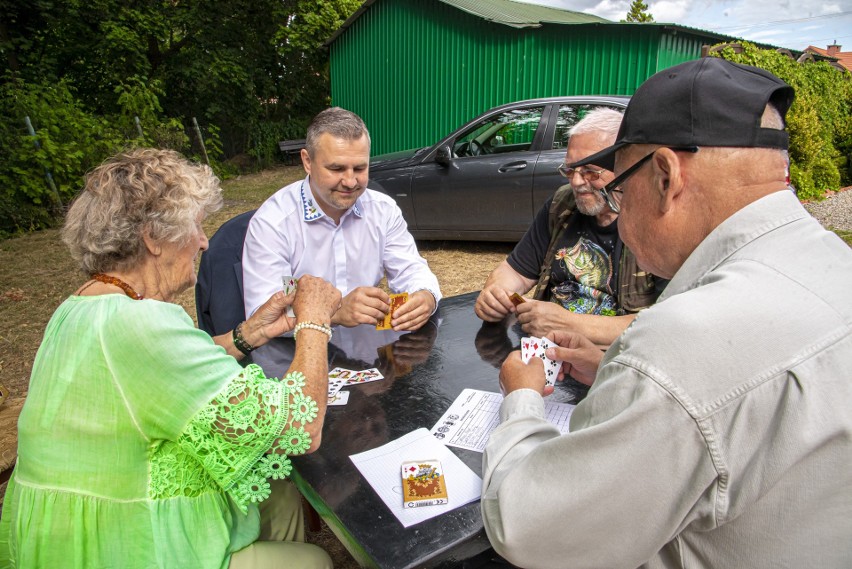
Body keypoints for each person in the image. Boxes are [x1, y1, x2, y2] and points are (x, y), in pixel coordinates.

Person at [481, 57, 852, 568]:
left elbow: (528, 528)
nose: (616, 204)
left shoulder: (680, 341)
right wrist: (612, 367)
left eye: (620, 187)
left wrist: (522, 400)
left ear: (664, 175)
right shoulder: (835, 262)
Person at [0, 149, 343, 569]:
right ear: (152, 238)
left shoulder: (84, 304)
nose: (203, 241)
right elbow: (300, 428)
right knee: (313, 561)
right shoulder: (140, 325)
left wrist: (246, 334)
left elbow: (156, 378)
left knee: (279, 493)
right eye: (196, 227)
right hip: (120, 541)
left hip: (62, 526)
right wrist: (315, 322)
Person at [474, 108, 665, 347]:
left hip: (612, 363)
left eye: (590, 172)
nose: (576, 182)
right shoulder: (562, 203)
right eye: (570, 170)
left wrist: (570, 324)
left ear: (625, 166)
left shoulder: (658, 222)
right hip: (548, 352)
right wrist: (496, 292)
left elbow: (664, 326)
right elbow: (515, 271)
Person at [242, 107, 442, 332]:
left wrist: (426, 296)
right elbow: (264, 318)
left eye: (360, 168)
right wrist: (335, 312)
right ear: (307, 161)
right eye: (336, 168)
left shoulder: (383, 211)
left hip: (365, 352)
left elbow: (410, 269)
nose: (349, 181)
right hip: (295, 354)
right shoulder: (274, 224)